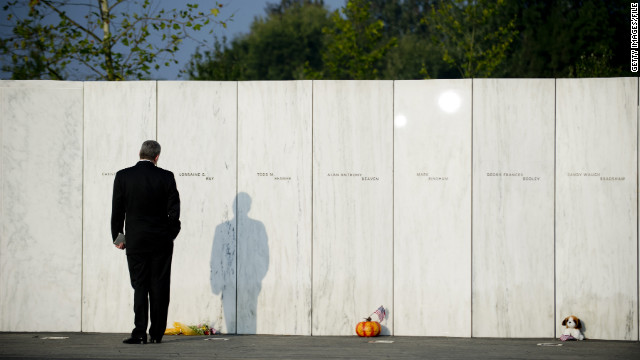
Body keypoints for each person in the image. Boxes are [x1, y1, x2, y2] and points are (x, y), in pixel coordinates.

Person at [111, 140, 181, 344]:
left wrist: (119, 237)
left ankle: (139, 332)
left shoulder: (123, 176)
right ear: (157, 157)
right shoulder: (166, 176)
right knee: (159, 286)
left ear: (140, 153)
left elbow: (118, 211)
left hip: (136, 241)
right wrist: (170, 234)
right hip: (161, 241)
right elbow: (174, 210)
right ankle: (157, 334)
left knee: (140, 286)